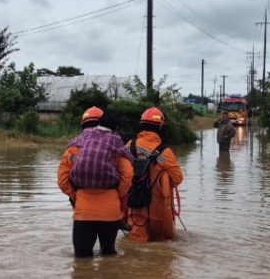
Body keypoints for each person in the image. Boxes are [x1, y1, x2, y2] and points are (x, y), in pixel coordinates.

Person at [58, 108, 134, 257]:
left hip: (83, 211)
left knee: (81, 259)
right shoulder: (116, 147)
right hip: (110, 211)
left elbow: (62, 181)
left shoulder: (73, 148)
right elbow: (127, 176)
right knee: (109, 257)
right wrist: (117, 194)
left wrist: (77, 195)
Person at [125, 107, 184, 243]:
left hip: (134, 205)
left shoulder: (128, 146)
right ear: (161, 127)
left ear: (141, 125)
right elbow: (177, 178)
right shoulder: (165, 152)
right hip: (157, 209)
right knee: (159, 246)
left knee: (136, 244)